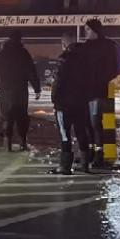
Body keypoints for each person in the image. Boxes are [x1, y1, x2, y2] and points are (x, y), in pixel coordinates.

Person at [49, 32, 95, 174]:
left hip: (64, 104)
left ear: (64, 44)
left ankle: (65, 166)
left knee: (65, 134)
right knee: (81, 132)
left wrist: (54, 98)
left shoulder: (64, 59)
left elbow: (58, 81)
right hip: (81, 102)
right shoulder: (86, 59)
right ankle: (85, 164)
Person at [82, 18, 120, 165]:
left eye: (87, 30)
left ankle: (99, 153)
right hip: (92, 90)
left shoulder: (102, 47)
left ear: (94, 31)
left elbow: (113, 67)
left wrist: (99, 79)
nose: (85, 33)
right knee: (90, 123)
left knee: (95, 123)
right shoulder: (90, 46)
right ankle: (92, 151)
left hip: (97, 91)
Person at [0, 30, 41, 152]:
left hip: (6, 90)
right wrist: (37, 88)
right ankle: (23, 143)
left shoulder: (2, 54)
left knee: (7, 117)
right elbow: (31, 71)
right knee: (22, 117)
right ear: (20, 40)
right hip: (21, 90)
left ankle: (8, 144)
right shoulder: (23, 53)